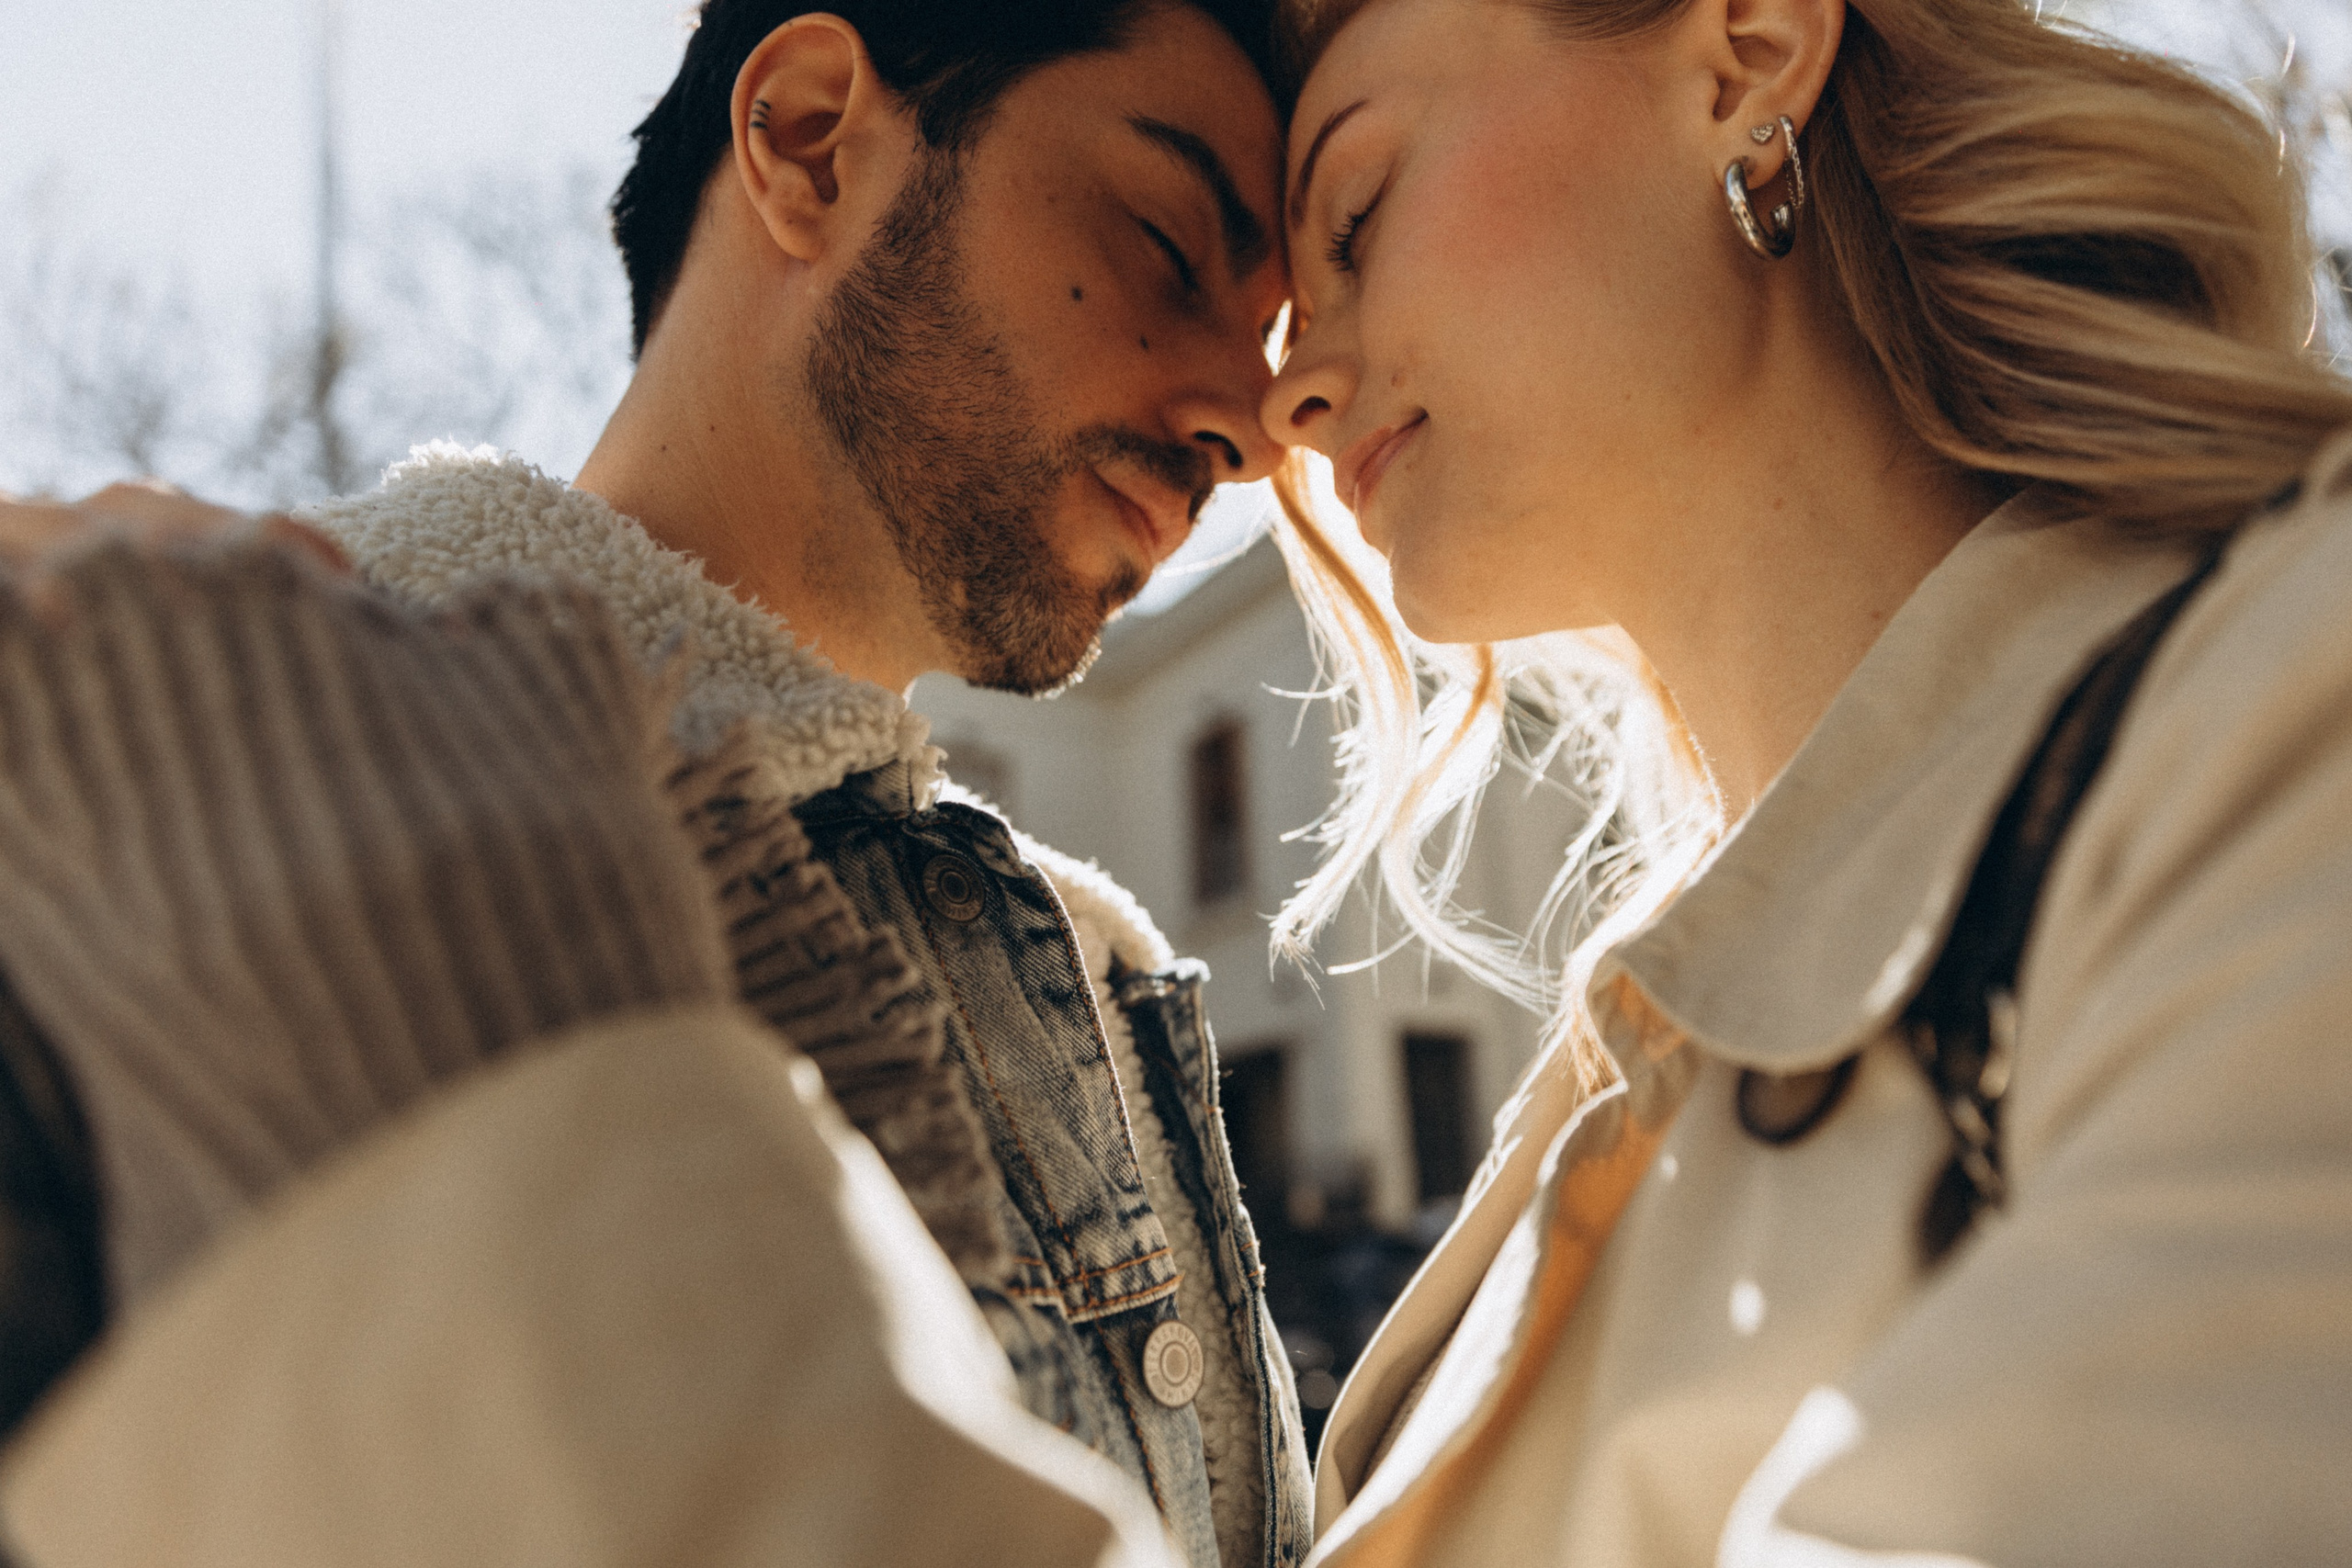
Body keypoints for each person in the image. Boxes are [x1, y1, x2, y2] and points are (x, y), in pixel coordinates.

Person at [0, 4, 1311, 1565]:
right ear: (810, 139)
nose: (1247, 423)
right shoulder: (149, 779)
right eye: (1169, 243)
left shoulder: (1095, 979)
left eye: (1272, 332)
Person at [1250, 0, 2352, 1562]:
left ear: (1749, 47)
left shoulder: (2283, 704)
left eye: (1355, 219)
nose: (1292, 396)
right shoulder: (1599, 1097)